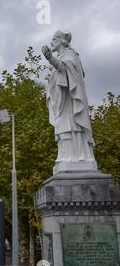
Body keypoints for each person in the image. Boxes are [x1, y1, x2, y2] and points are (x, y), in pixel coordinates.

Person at [31, 30, 96, 171]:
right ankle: (65, 157)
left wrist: (51, 59)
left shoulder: (70, 55)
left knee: (71, 127)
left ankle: (79, 157)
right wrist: (40, 82)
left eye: (54, 39)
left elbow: (66, 70)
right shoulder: (61, 58)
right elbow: (53, 84)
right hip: (62, 103)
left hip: (71, 104)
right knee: (62, 129)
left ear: (61, 41)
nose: (51, 42)